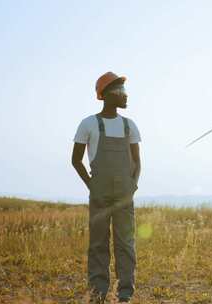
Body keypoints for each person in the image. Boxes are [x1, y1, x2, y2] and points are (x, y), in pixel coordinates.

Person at [71, 71, 141, 303]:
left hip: (124, 195)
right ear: (106, 95)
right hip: (100, 194)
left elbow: (137, 162)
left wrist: (133, 186)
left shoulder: (129, 126)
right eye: (120, 91)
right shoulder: (88, 124)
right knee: (99, 244)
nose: (125, 95)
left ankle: (125, 294)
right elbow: (76, 160)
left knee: (125, 245)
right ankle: (98, 294)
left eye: (125, 91)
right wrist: (92, 185)